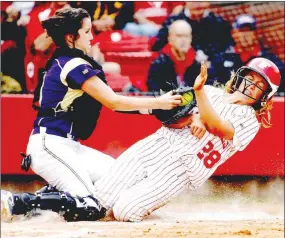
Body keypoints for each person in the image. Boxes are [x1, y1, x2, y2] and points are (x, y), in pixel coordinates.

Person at [2, 57, 281, 223]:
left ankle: (42, 201)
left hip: (180, 171)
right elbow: (172, 114)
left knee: (124, 211)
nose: (251, 86)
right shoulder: (211, 91)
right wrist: (191, 115)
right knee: (99, 202)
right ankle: (27, 204)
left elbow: (219, 127)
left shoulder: (249, 121)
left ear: (265, 97)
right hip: (155, 146)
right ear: (240, 76)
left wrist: (200, 101)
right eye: (250, 78)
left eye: (259, 86)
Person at [1, 7, 182, 222]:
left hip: (68, 146)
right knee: (90, 206)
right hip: (50, 145)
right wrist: (159, 103)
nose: (91, 36)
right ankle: (18, 203)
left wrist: (154, 107)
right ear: (71, 37)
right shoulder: (72, 64)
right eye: (86, 31)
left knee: (123, 180)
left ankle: (51, 195)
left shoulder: (66, 60)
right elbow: (114, 102)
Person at [147, 20, 200, 92]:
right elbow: (154, 91)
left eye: (187, 36)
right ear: (170, 38)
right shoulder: (159, 64)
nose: (184, 40)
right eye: (179, 36)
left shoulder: (197, 64)